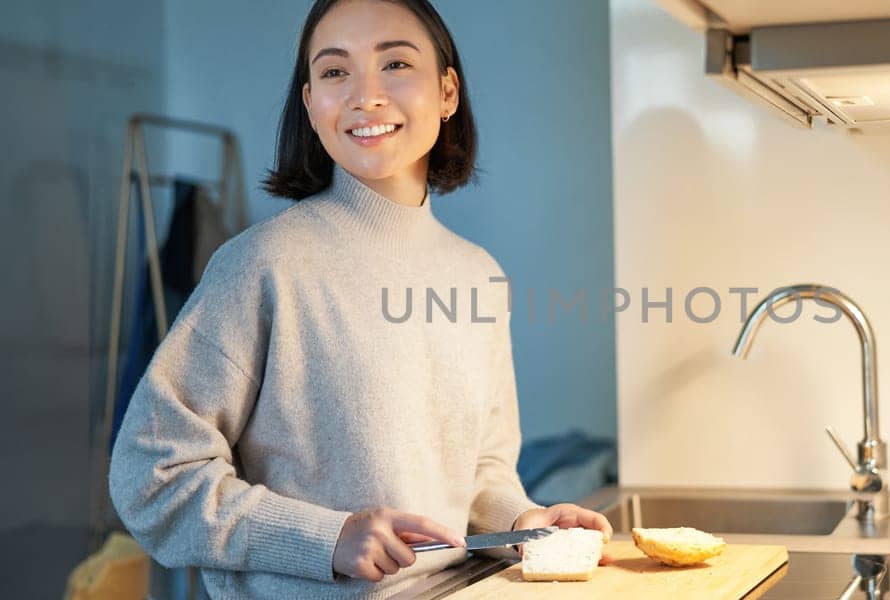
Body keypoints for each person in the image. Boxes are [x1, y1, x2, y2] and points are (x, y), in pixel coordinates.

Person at [108, 1, 611, 597]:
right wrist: (329, 538)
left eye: (395, 63)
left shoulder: (479, 276)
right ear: (310, 105)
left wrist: (523, 523)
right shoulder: (263, 265)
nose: (364, 96)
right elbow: (152, 477)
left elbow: (480, 472)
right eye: (335, 72)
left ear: (447, 92)